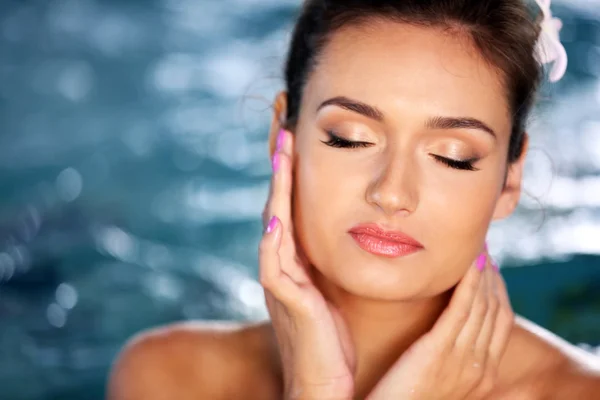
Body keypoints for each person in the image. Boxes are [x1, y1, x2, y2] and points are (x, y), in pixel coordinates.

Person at [107, 0, 600, 399]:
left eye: (452, 156)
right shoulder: (165, 379)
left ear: (510, 178)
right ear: (284, 133)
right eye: (350, 138)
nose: (391, 193)